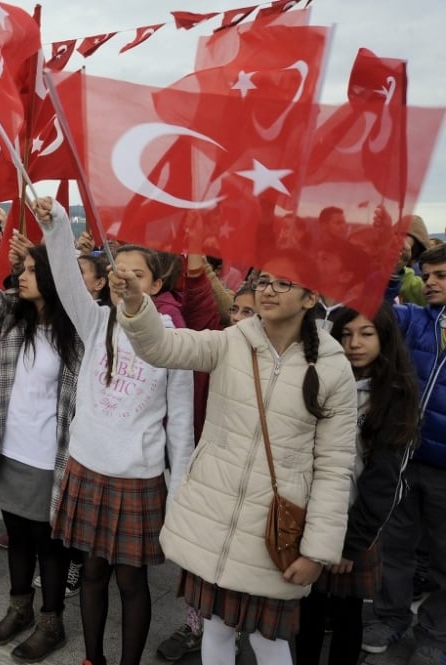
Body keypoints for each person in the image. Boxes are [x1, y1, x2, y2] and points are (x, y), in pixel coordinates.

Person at [114, 255, 357, 665]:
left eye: (283, 283)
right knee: (217, 627)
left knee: (269, 640)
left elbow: (335, 468)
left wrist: (317, 551)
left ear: (310, 297)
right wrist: (137, 305)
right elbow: (162, 347)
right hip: (216, 517)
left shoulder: (334, 369)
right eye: (264, 280)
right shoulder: (230, 340)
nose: (267, 289)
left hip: (274, 531)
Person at [37, 200, 195, 665]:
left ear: (158, 284)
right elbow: (67, 280)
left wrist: (179, 489)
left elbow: (182, 426)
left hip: (137, 475)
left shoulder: (173, 339)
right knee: (91, 571)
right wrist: (57, 225)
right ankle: (92, 658)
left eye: (137, 275)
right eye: (118, 273)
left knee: (131, 581)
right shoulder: (97, 320)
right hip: (88, 466)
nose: (124, 281)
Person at [0, 222, 81, 663]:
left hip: (51, 459)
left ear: (53, 279)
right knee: (18, 537)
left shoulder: (76, 335)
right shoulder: (13, 317)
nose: (21, 276)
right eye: (22, 269)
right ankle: (18, 609)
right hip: (9, 452)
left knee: (50, 544)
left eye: (30, 271)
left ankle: (52, 621)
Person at [296, 303, 418, 665]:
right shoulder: (325, 379)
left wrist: (351, 544)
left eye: (366, 333)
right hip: (317, 513)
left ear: (385, 338)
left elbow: (386, 481)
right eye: (346, 334)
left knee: (348, 614)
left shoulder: (393, 393)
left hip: (357, 525)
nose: (355, 343)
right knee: (310, 608)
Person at [364, 243, 446, 665]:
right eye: (426, 274)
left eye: (441, 275)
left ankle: (436, 632)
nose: (430, 282)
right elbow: (369, 313)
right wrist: (390, 274)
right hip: (406, 457)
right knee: (394, 546)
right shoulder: (416, 321)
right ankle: (389, 616)